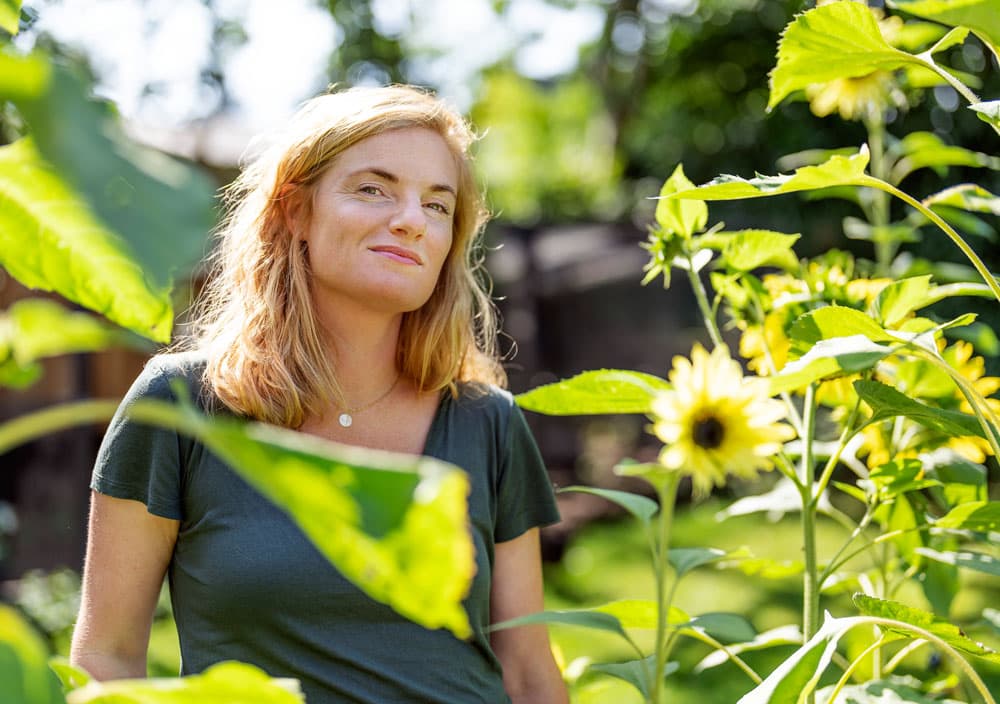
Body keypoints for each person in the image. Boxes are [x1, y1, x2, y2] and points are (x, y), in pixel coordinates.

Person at [70, 84, 569, 704]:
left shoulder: (488, 423)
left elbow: (528, 670)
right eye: (373, 189)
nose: (412, 220)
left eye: (437, 206)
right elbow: (106, 658)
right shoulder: (180, 407)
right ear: (294, 212)